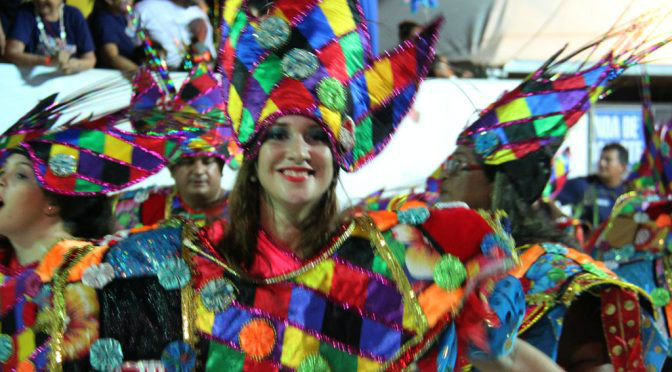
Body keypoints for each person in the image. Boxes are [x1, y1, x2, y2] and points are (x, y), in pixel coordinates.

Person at [93, 2, 559, 370]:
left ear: (337, 158)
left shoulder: (391, 258)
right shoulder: (184, 262)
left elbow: (499, 356)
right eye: (278, 134)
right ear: (251, 157)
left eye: (316, 136)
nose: (298, 151)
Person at [435, 47, 668, 371]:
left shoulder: (556, 272)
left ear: (497, 183)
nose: (442, 177)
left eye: (458, 164)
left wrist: (505, 358)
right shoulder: (439, 263)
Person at [0, 93, 173, 371]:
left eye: (20, 175)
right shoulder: (6, 277)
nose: (2, 180)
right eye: (2, 172)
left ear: (53, 201)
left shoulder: (107, 270)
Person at [112, 64, 242, 229]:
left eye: (207, 162)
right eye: (187, 162)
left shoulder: (246, 209)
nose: (199, 170)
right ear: (171, 170)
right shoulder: (139, 207)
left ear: (221, 168)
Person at [5, 0, 95, 73]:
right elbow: (12, 53)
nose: (41, 1)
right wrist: (48, 61)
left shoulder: (74, 15)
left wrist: (78, 65)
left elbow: (90, 59)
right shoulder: (26, 12)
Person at [556, 143, 629, 228]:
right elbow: (549, 198)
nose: (601, 163)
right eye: (601, 158)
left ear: (622, 167)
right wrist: (570, 223)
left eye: (607, 160)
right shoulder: (582, 185)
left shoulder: (629, 193)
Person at [133, 0, 214, 70]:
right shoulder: (145, 7)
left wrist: (198, 43)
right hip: (159, 75)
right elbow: (133, 46)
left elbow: (210, 64)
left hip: (194, 76)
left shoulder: (197, 12)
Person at [88, 0, 142, 72]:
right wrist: (141, 74)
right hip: (110, 76)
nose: (130, 1)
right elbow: (111, 57)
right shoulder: (103, 20)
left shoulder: (121, 16)